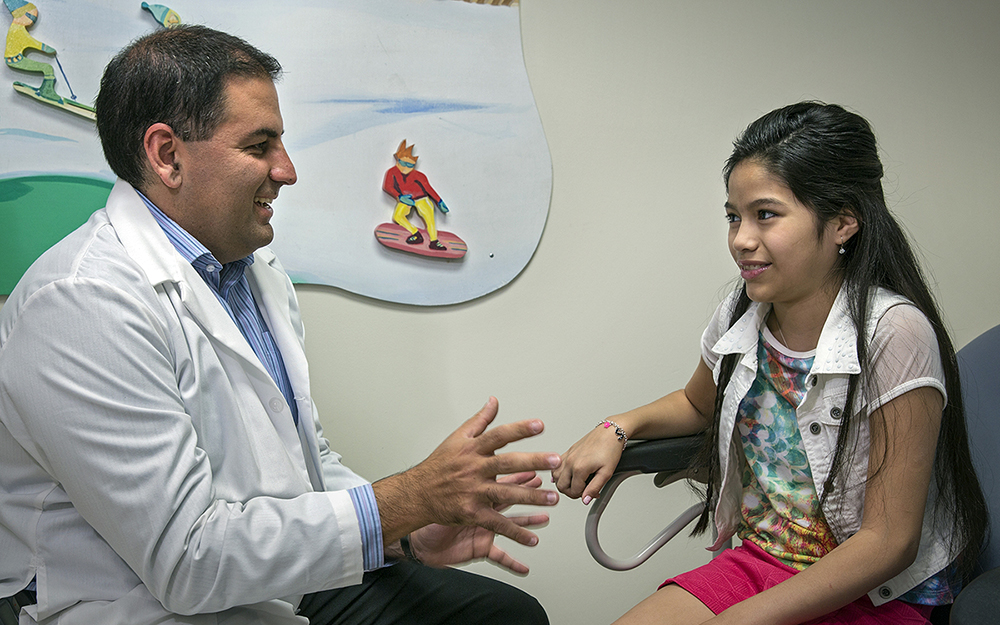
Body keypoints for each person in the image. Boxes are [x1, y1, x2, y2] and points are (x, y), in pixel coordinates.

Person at [0, 25, 560, 625]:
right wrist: (405, 499)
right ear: (167, 155)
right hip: (131, 603)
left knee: (504, 616)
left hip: (264, 576)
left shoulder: (254, 270)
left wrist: (408, 532)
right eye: (259, 145)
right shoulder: (82, 304)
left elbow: (304, 463)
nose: (287, 170)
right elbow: (187, 562)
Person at [553, 102, 988, 625]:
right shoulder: (743, 312)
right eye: (734, 217)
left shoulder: (893, 332)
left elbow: (888, 543)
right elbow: (696, 402)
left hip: (874, 589)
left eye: (766, 214)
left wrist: (740, 620)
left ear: (844, 221)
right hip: (764, 562)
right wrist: (617, 426)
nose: (741, 239)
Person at [383, 140, 450, 251]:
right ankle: (415, 233)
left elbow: (428, 188)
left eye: (410, 165)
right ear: (397, 160)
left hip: (421, 198)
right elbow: (388, 186)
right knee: (397, 216)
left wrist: (439, 201)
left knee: (429, 218)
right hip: (405, 199)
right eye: (403, 163)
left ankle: (434, 241)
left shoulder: (419, 175)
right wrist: (399, 196)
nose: (406, 167)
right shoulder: (391, 172)